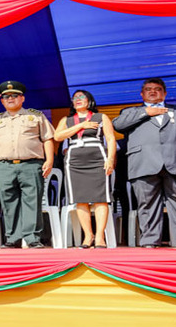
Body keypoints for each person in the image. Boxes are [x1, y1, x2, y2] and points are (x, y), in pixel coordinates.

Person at [113, 77, 176, 248]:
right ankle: (149, 241)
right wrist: (146, 112)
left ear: (165, 93)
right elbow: (118, 125)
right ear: (141, 94)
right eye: (148, 89)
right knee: (147, 204)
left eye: (157, 89)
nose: (153, 91)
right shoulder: (130, 111)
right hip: (143, 163)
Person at [0, 81, 55, 249]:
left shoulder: (35, 116)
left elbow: (47, 138)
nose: (10, 99)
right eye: (6, 97)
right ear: (1, 101)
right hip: (4, 166)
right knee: (9, 202)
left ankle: (32, 238)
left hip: (31, 164)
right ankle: (13, 238)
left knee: (33, 201)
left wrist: (49, 160)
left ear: (22, 98)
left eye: (14, 96)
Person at [54, 90, 117, 248]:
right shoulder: (67, 120)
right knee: (80, 198)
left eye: (82, 97)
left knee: (100, 198)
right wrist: (81, 125)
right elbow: (57, 137)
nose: (78, 100)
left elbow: (110, 138)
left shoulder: (100, 117)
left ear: (90, 101)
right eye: (75, 98)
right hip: (74, 160)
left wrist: (110, 159)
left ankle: (100, 237)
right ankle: (88, 235)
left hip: (97, 158)